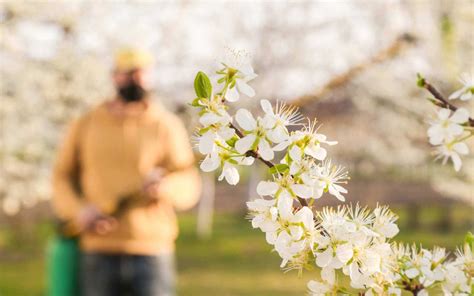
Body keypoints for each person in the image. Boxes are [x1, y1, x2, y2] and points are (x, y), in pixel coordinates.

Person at [51, 48, 201, 296]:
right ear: (114, 76)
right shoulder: (86, 124)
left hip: (152, 250)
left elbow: (188, 182)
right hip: (98, 249)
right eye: (128, 73)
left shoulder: (166, 125)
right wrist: (79, 211)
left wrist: (165, 188)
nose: (134, 79)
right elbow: (61, 176)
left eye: (141, 73)